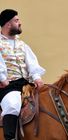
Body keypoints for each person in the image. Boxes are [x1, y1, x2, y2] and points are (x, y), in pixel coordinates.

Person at [0, 9, 46, 140]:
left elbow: (31, 63)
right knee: (13, 104)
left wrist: (37, 77)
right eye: (16, 20)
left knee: (46, 100)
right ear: (8, 24)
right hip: (7, 87)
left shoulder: (22, 44)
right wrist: (3, 78)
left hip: (26, 84)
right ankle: (10, 138)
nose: (20, 23)